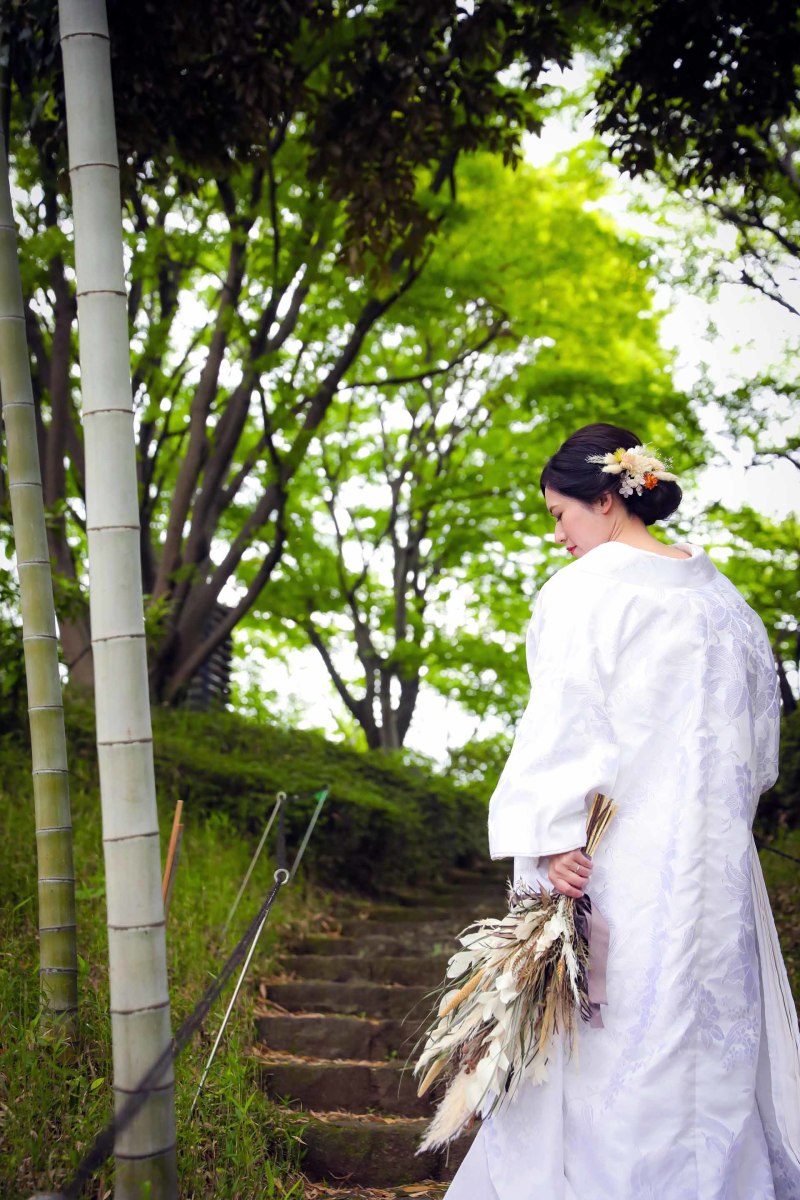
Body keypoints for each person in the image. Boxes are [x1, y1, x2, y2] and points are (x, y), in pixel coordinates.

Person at [444, 423, 800, 1200]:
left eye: (559, 514)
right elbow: (761, 757)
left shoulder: (588, 589)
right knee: (709, 1054)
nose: (558, 536)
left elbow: (563, 729)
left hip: (623, 868)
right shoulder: (727, 602)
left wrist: (547, 844)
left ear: (606, 499)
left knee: (615, 1052)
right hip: (718, 877)